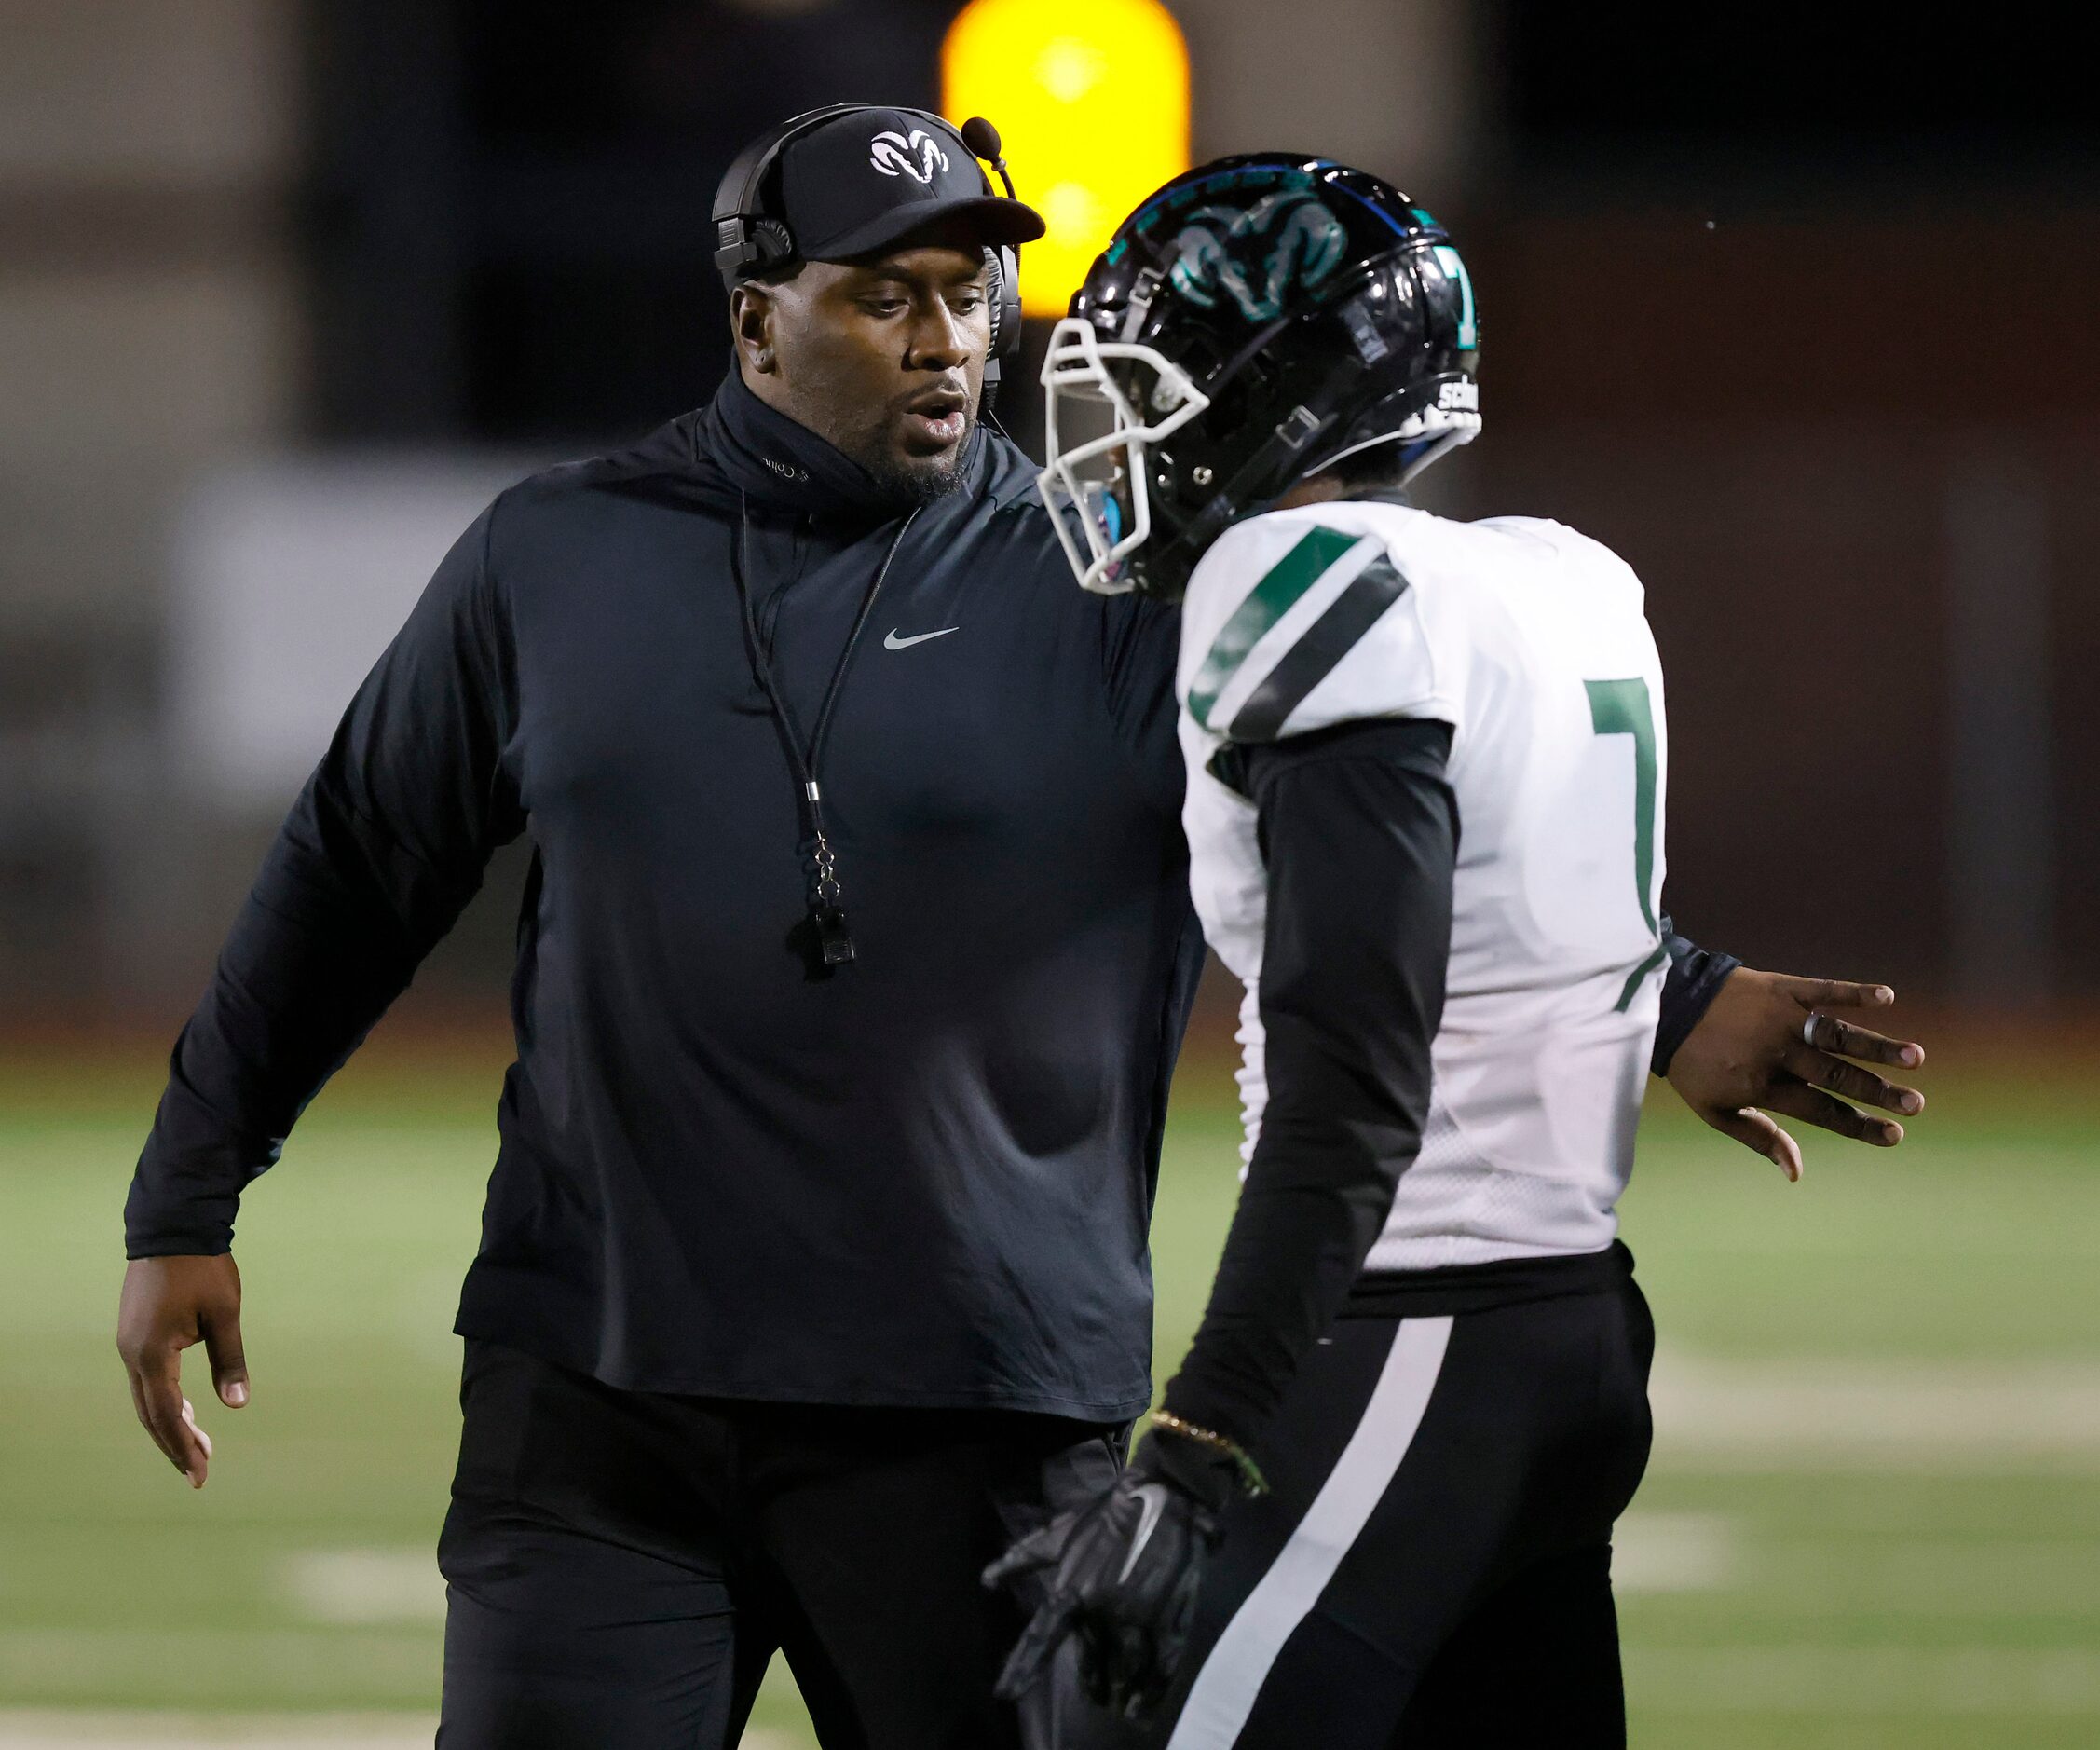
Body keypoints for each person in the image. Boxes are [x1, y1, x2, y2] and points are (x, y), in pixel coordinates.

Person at [114, 111, 1917, 1750]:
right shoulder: (553, 557)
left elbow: (1380, 828)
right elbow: (354, 868)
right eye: (886, 294)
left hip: (982, 1422)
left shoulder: (1135, 586)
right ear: (754, 325)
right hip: (597, 1403)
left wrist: (1664, 985)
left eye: (972, 291)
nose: (950, 336)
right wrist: (189, 1190)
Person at [986, 156, 1926, 1748]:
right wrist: (1675, 988)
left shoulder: (1297, 582)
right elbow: (1515, 910)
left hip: (1410, 1336)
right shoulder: (1556, 579)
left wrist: (1200, 1439)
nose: (1113, 432)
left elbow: (1359, 1073)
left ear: (1274, 388)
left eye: (1147, 384)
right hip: (1563, 1339)